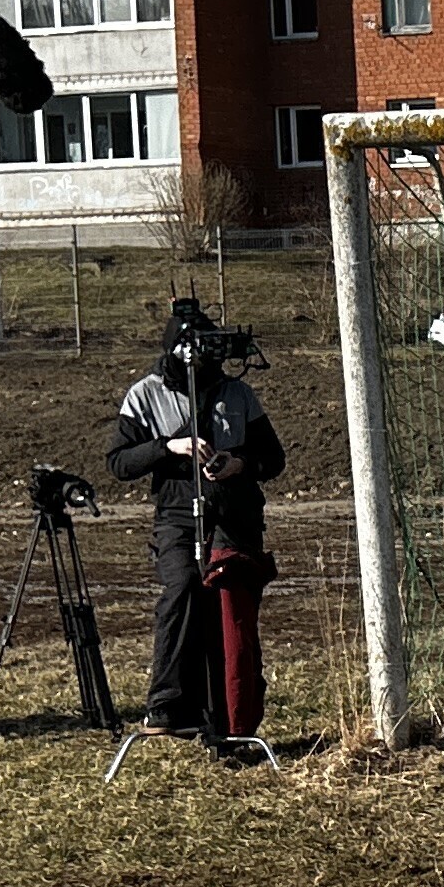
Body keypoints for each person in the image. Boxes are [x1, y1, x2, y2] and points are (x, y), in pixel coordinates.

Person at [110, 302, 284, 747]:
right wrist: (169, 447)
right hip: (176, 515)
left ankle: (230, 717)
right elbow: (119, 463)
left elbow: (273, 458)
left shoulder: (237, 394)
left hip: (232, 516)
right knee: (184, 587)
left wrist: (238, 464)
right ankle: (167, 706)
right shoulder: (145, 394)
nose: (210, 364)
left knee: (228, 605)